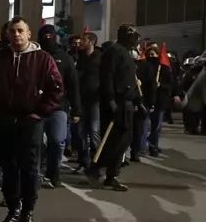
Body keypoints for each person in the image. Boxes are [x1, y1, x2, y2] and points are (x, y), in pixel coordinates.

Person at [0, 17, 64, 222]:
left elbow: (56, 88)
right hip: (4, 119)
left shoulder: (43, 59)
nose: (16, 34)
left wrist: (40, 112)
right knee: (8, 166)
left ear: (29, 33)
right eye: (12, 31)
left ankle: (27, 213)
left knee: (29, 168)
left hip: (30, 121)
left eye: (20, 30)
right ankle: (13, 209)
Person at [88, 24, 141, 191]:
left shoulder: (126, 53)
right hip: (117, 103)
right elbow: (107, 77)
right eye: (133, 37)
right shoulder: (114, 51)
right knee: (115, 141)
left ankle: (110, 173)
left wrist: (137, 98)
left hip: (126, 103)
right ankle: (100, 168)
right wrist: (111, 100)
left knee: (123, 140)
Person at [37, 24, 80, 188]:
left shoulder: (65, 58)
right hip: (36, 107)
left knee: (57, 141)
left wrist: (76, 109)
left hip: (58, 107)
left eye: (50, 35)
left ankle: (53, 171)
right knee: (36, 143)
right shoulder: (34, 55)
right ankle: (36, 173)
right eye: (45, 35)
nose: (48, 38)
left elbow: (73, 84)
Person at [75, 33, 103, 172]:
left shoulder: (100, 57)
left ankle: (96, 162)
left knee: (94, 130)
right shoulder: (80, 57)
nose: (80, 42)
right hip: (81, 99)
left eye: (83, 40)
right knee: (81, 132)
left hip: (95, 100)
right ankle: (83, 162)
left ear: (91, 42)